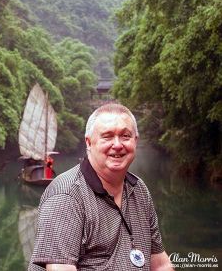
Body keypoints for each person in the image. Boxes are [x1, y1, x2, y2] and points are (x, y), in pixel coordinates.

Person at [29, 103, 173, 271]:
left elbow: (161, 264)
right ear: (89, 143)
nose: (118, 145)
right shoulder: (66, 196)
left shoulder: (139, 190)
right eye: (107, 136)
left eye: (125, 136)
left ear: (135, 141)